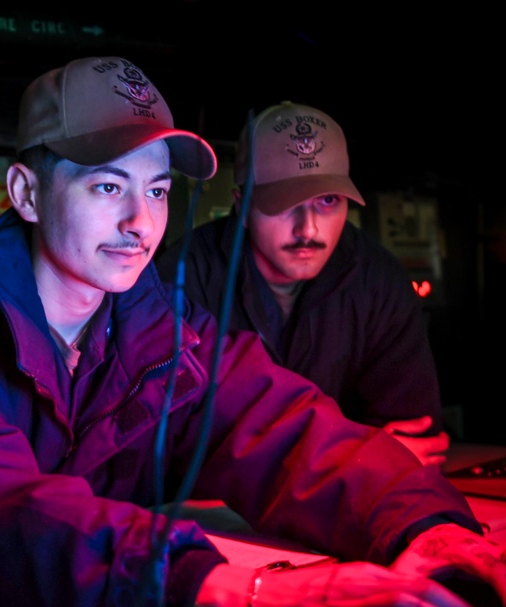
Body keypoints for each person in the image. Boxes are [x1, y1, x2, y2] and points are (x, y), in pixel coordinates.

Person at [0, 57, 506, 607]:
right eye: (109, 185)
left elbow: (285, 426)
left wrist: (422, 522)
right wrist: (218, 589)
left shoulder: (165, 334)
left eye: (157, 190)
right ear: (26, 193)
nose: (141, 223)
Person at [158, 102, 450, 466]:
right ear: (242, 206)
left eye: (328, 201)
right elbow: (173, 449)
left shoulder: (378, 279)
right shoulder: (184, 276)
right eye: (285, 202)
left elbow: (412, 440)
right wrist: (346, 457)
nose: (308, 229)